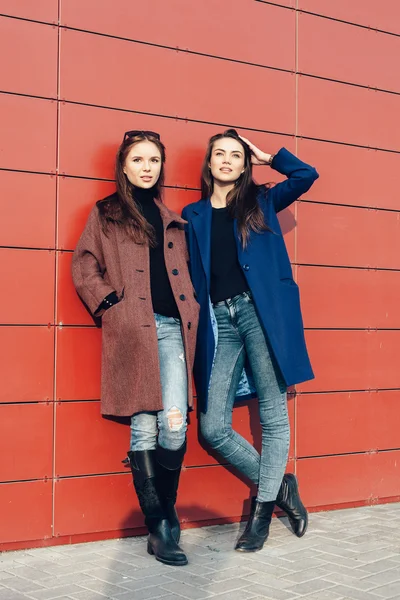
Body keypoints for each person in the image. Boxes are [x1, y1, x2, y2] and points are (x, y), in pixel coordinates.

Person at [182, 128, 318, 552]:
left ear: (244, 165)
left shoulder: (262, 201)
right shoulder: (193, 214)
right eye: (218, 154)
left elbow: (306, 175)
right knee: (212, 427)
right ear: (208, 164)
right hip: (220, 323)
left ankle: (261, 513)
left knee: (273, 415)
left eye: (235, 155)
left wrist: (267, 155)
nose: (226, 160)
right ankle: (281, 488)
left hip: (261, 315)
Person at [72, 130, 199, 566]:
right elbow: (84, 262)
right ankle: (160, 526)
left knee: (176, 426)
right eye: (139, 160)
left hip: (170, 331)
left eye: (154, 160)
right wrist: (110, 304)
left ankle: (164, 510)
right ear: (123, 166)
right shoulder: (107, 213)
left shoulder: (172, 219)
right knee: (144, 429)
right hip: (133, 330)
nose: (148, 167)